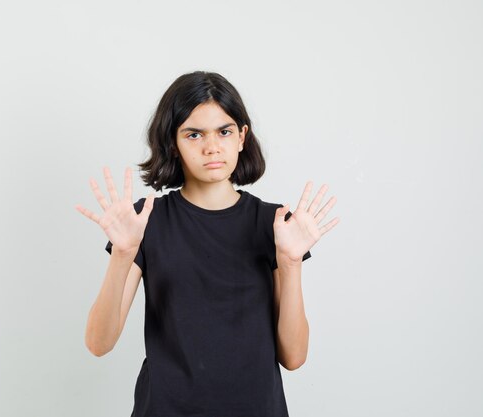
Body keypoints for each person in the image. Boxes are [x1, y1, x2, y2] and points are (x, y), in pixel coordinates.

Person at [75, 71, 339, 417]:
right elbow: (99, 343)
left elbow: (294, 357)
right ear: (173, 143)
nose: (211, 146)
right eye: (194, 134)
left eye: (224, 131)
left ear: (242, 136)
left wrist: (289, 263)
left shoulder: (275, 225)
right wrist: (122, 254)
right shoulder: (145, 221)